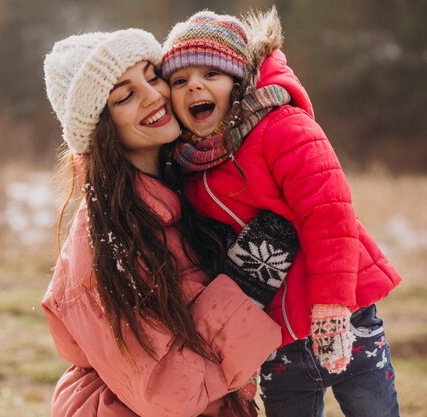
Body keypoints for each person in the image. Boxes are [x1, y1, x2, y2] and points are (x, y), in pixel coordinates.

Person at [161, 8, 402, 417]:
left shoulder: (281, 127)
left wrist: (331, 306)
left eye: (210, 75)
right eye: (180, 81)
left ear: (238, 83)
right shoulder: (190, 169)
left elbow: (330, 216)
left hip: (345, 318)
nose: (193, 86)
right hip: (278, 341)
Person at [42, 28, 283, 417]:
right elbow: (169, 392)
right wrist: (245, 288)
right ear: (101, 131)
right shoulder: (105, 242)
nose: (154, 95)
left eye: (152, 76)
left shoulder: (182, 191)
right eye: (125, 95)